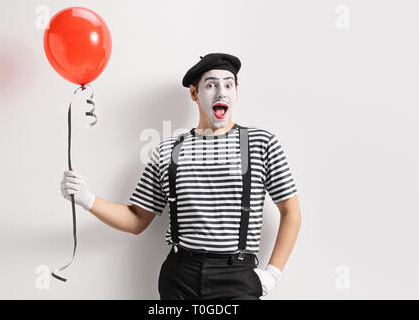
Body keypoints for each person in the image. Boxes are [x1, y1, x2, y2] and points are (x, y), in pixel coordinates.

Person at [60, 53, 302, 300]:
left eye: (229, 84)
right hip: (179, 277)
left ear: (236, 92)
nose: (221, 93)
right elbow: (136, 219)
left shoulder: (260, 143)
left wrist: (273, 273)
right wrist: (87, 199)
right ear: (194, 94)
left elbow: (291, 211)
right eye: (211, 85)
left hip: (237, 276)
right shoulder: (168, 150)